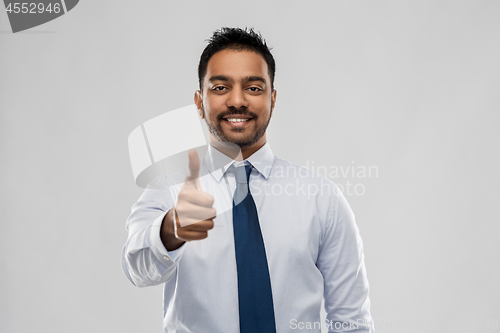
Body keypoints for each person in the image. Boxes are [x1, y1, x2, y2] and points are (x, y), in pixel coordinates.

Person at [122, 27, 375, 332]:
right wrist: (169, 230)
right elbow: (137, 269)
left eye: (254, 88)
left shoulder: (322, 199)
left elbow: (351, 321)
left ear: (273, 98)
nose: (237, 101)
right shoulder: (168, 190)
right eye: (220, 88)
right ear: (199, 102)